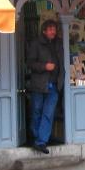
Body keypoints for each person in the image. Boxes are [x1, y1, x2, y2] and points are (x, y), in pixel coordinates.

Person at [26, 19, 65, 154]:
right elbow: (30, 63)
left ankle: (41, 141)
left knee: (48, 113)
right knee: (37, 111)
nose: (52, 31)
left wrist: (61, 80)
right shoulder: (36, 44)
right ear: (44, 31)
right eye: (50, 29)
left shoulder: (59, 44)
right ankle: (36, 137)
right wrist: (44, 66)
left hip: (54, 85)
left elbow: (62, 62)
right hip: (39, 84)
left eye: (54, 29)